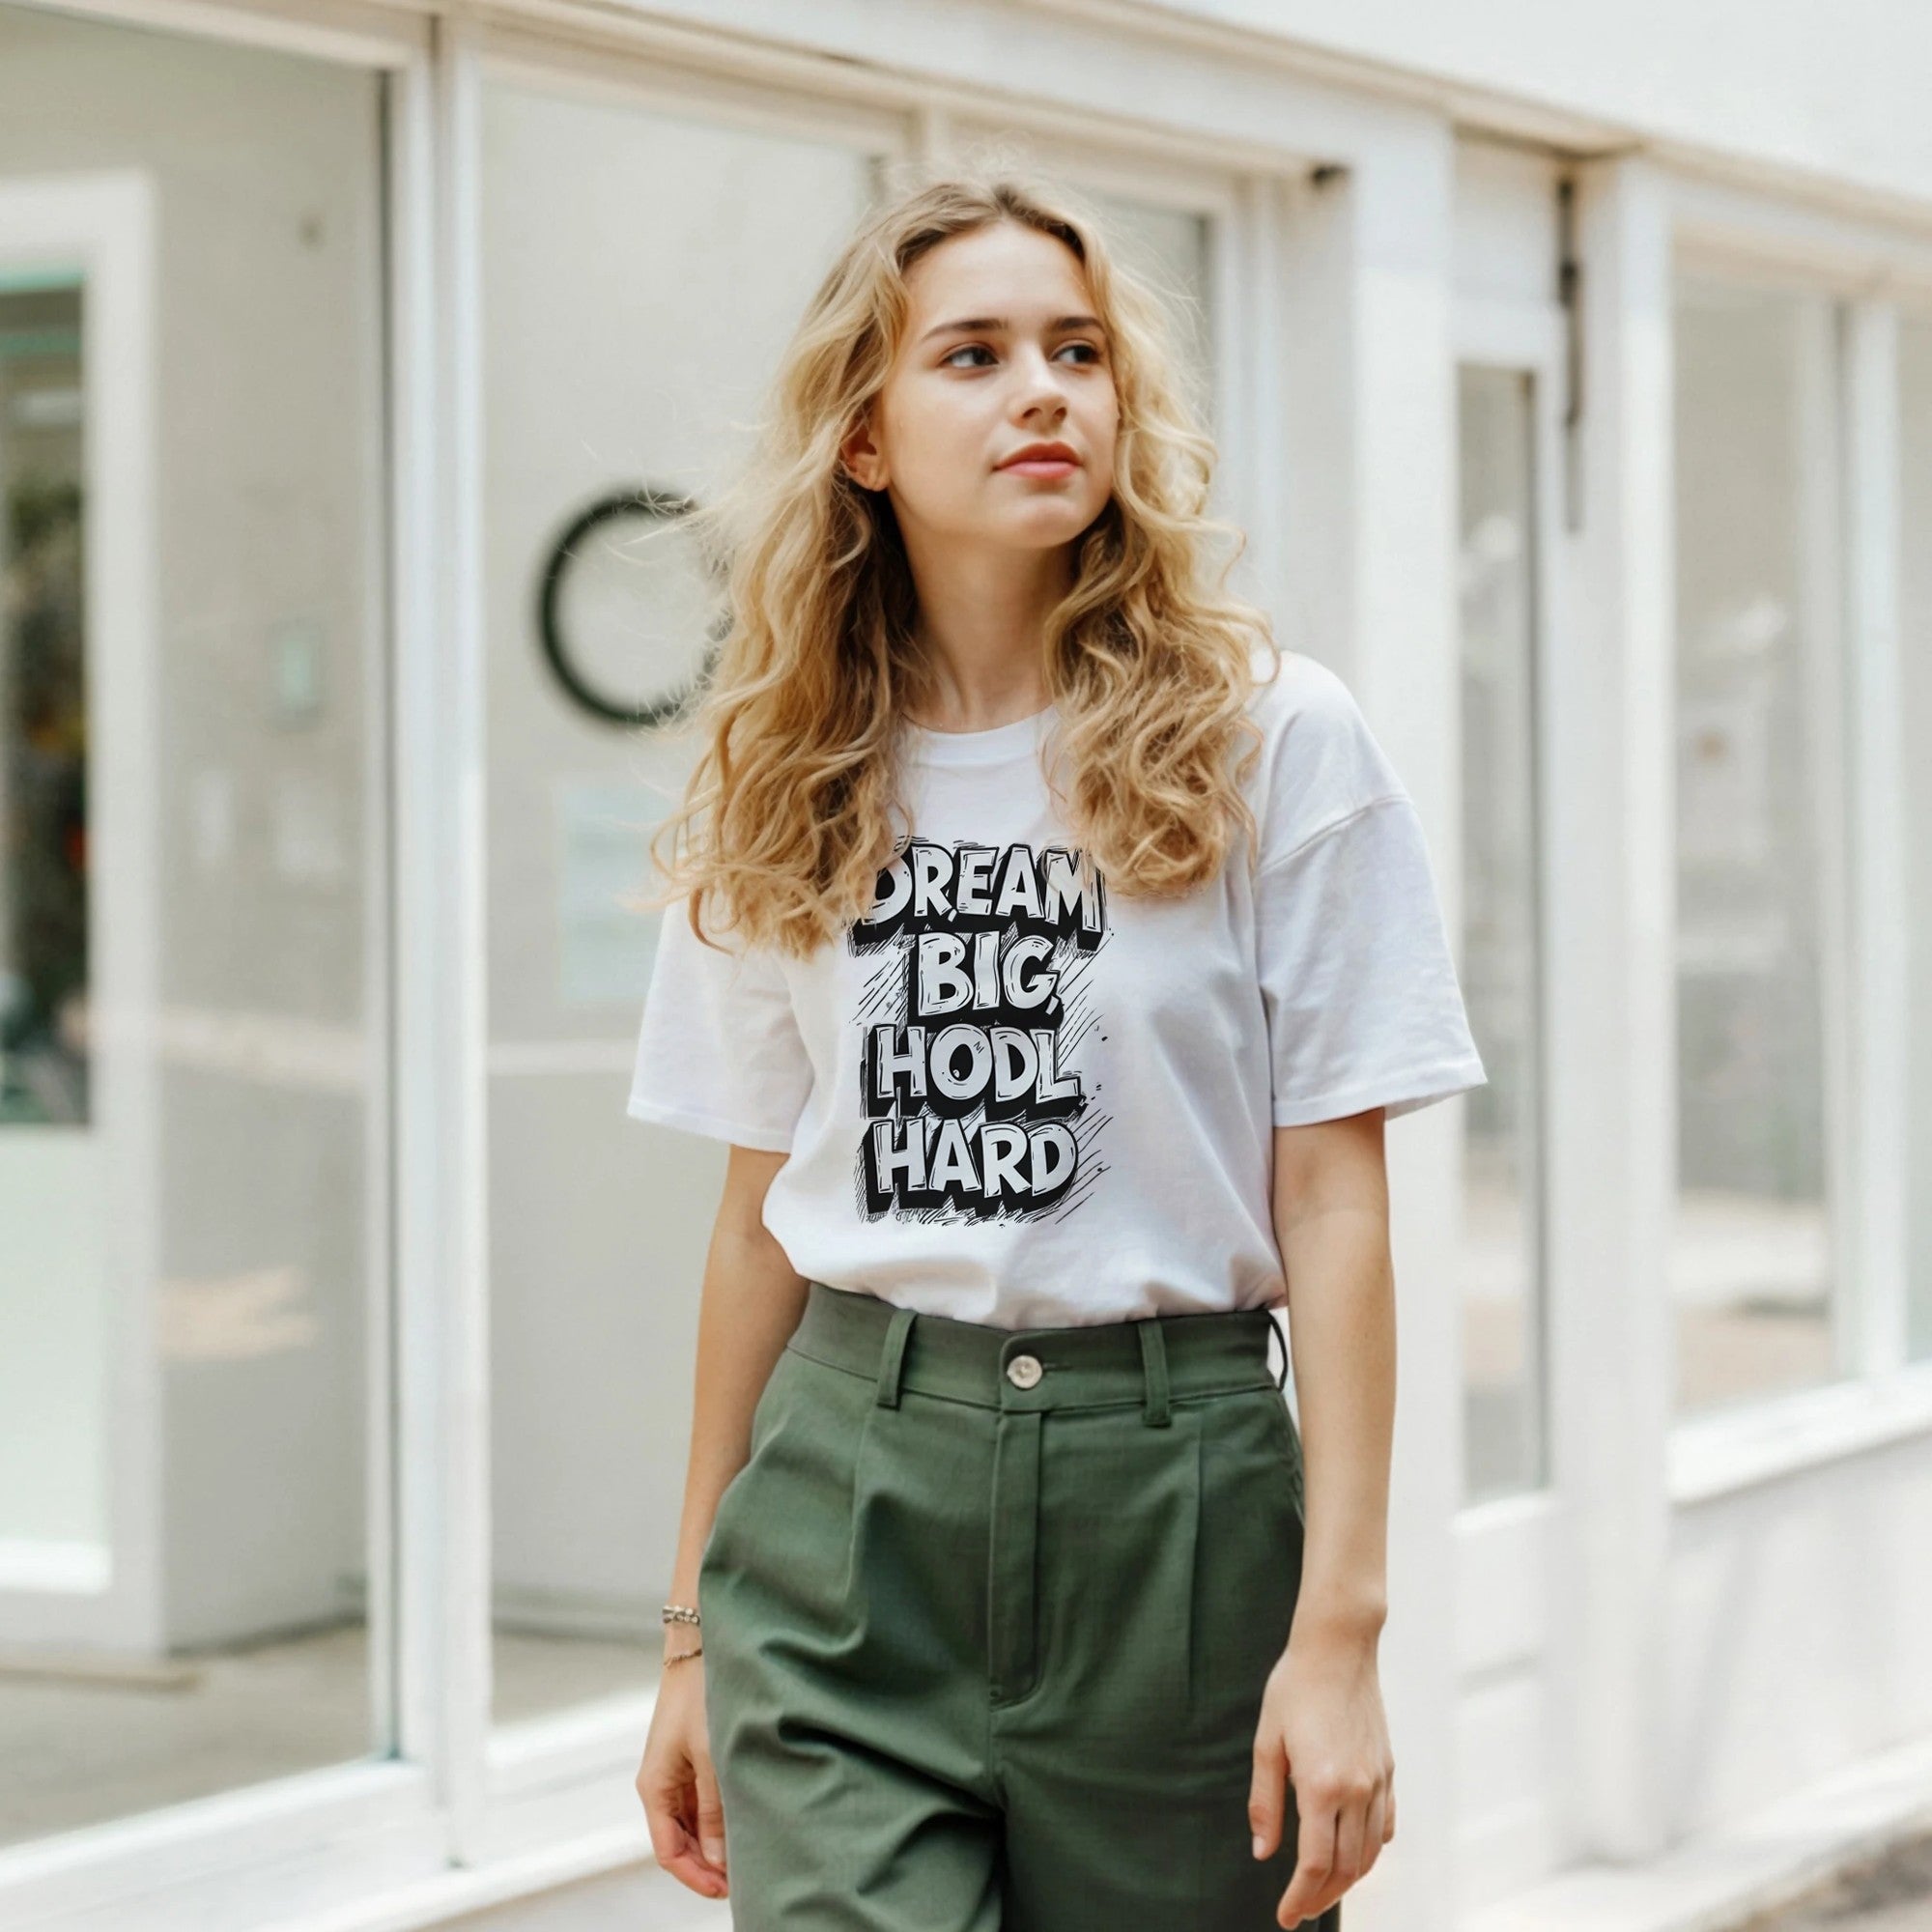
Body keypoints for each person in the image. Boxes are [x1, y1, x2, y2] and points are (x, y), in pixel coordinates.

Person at [625, 166, 1486, 1931]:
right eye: (975, 354)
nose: (1044, 391)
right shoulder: (784, 778)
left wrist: (1340, 1636)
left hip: (1173, 1514)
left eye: (1079, 350)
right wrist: (691, 1636)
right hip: (850, 1517)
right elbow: (751, 1230)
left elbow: (1336, 1209)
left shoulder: (1275, 738)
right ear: (862, 437)